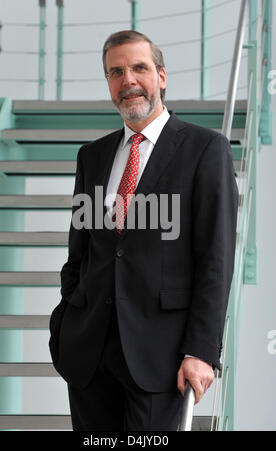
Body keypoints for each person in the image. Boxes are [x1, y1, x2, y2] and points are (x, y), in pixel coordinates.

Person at [49, 30, 238, 431]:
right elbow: (80, 253)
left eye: (139, 68)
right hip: (90, 353)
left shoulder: (205, 150)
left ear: (162, 76)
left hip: (162, 355)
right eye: (116, 72)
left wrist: (201, 351)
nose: (128, 80)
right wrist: (66, 322)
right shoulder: (93, 156)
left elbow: (215, 262)